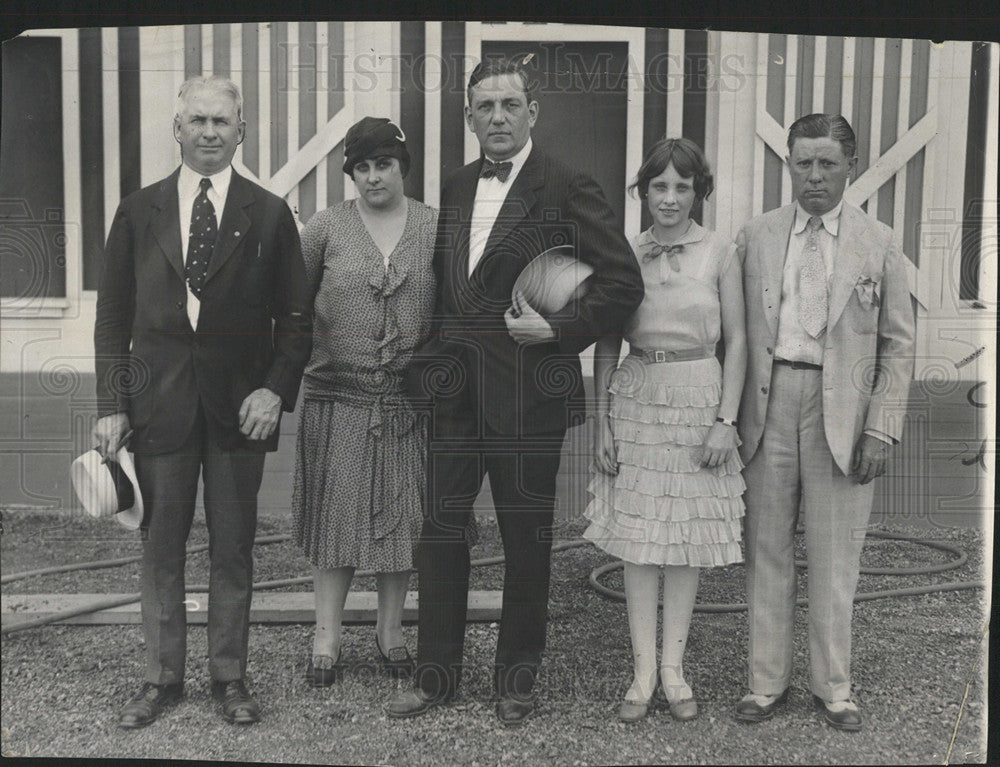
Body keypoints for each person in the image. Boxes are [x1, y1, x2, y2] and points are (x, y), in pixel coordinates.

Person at [385, 56, 644, 726]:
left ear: (533, 112)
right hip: (455, 398)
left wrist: (558, 330)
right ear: (469, 117)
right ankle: (436, 676)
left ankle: (516, 680)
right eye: (484, 107)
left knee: (525, 538)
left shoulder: (566, 184)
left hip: (530, 395)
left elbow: (621, 285)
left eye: (508, 105)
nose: (497, 118)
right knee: (439, 534)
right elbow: (447, 287)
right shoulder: (457, 183)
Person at [93, 75, 312, 728]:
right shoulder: (138, 212)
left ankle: (229, 677)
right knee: (160, 547)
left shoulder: (270, 213)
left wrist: (274, 389)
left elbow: (296, 320)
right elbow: (112, 320)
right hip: (157, 406)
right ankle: (161, 676)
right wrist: (112, 403)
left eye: (222, 122)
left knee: (233, 547)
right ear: (178, 129)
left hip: (238, 412)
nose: (210, 132)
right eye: (199, 121)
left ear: (241, 131)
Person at [733, 114, 915, 731]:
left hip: (843, 410)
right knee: (766, 548)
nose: (813, 176)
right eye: (803, 163)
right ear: (788, 164)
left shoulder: (879, 241)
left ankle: (834, 687)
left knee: (837, 554)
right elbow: (734, 332)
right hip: (769, 400)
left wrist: (881, 427)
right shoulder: (755, 236)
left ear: (851, 166)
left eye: (827, 164)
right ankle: (765, 682)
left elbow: (897, 343)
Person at [583, 137, 747, 723]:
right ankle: (642, 672)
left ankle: (674, 670)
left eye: (682, 186)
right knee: (639, 541)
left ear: (698, 191)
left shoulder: (721, 253)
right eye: (659, 186)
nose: (670, 198)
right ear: (643, 191)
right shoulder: (624, 253)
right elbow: (606, 341)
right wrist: (600, 420)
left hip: (700, 398)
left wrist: (726, 421)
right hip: (638, 400)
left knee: (685, 541)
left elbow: (741, 343)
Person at [292, 116, 446, 684]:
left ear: (402, 166)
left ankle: (391, 631)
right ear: (351, 172)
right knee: (337, 519)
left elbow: (454, 306)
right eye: (363, 166)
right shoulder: (326, 228)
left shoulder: (434, 225)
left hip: (409, 403)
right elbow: (293, 307)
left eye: (384, 164)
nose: (374, 176)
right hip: (339, 398)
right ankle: (326, 637)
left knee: (401, 522)